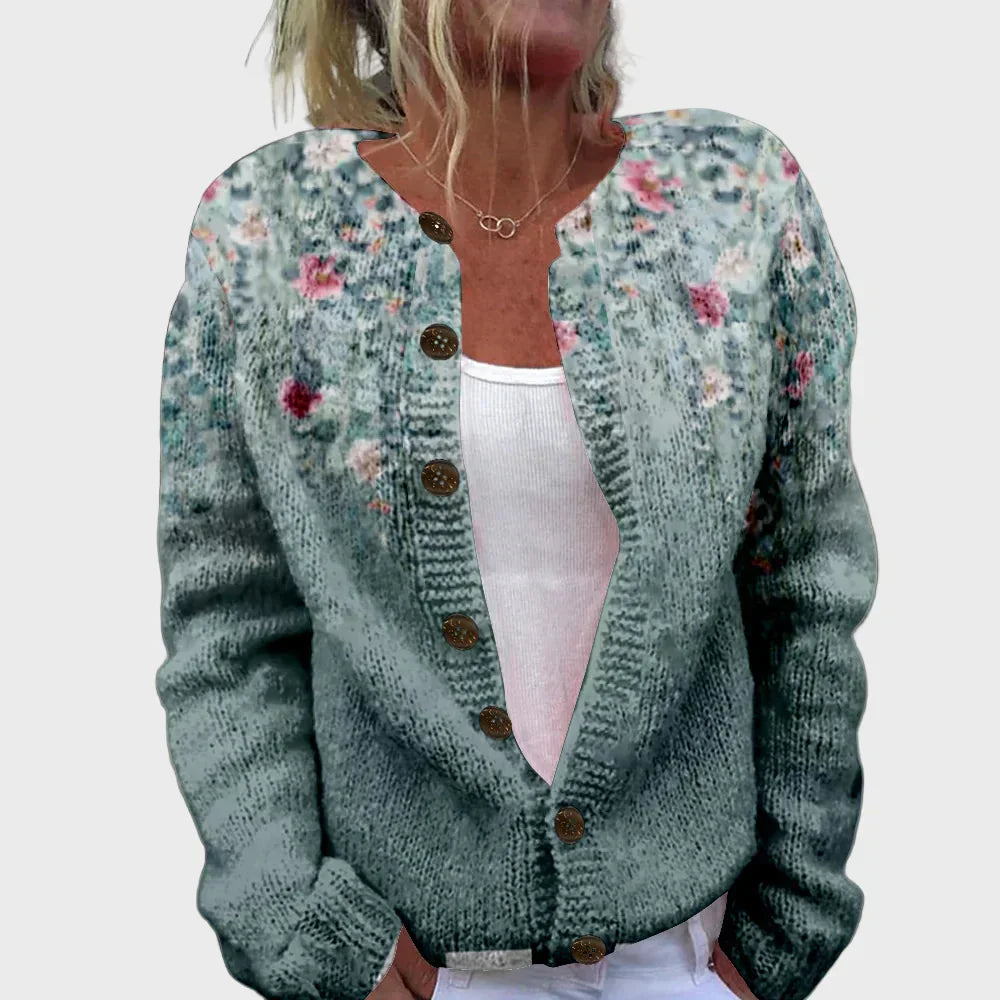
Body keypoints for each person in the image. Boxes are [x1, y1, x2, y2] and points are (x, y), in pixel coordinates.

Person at [154, 2, 878, 1000]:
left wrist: (784, 932)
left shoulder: (736, 195)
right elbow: (230, 625)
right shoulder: (267, 225)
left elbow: (806, 587)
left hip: (690, 964)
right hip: (406, 969)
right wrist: (300, 927)